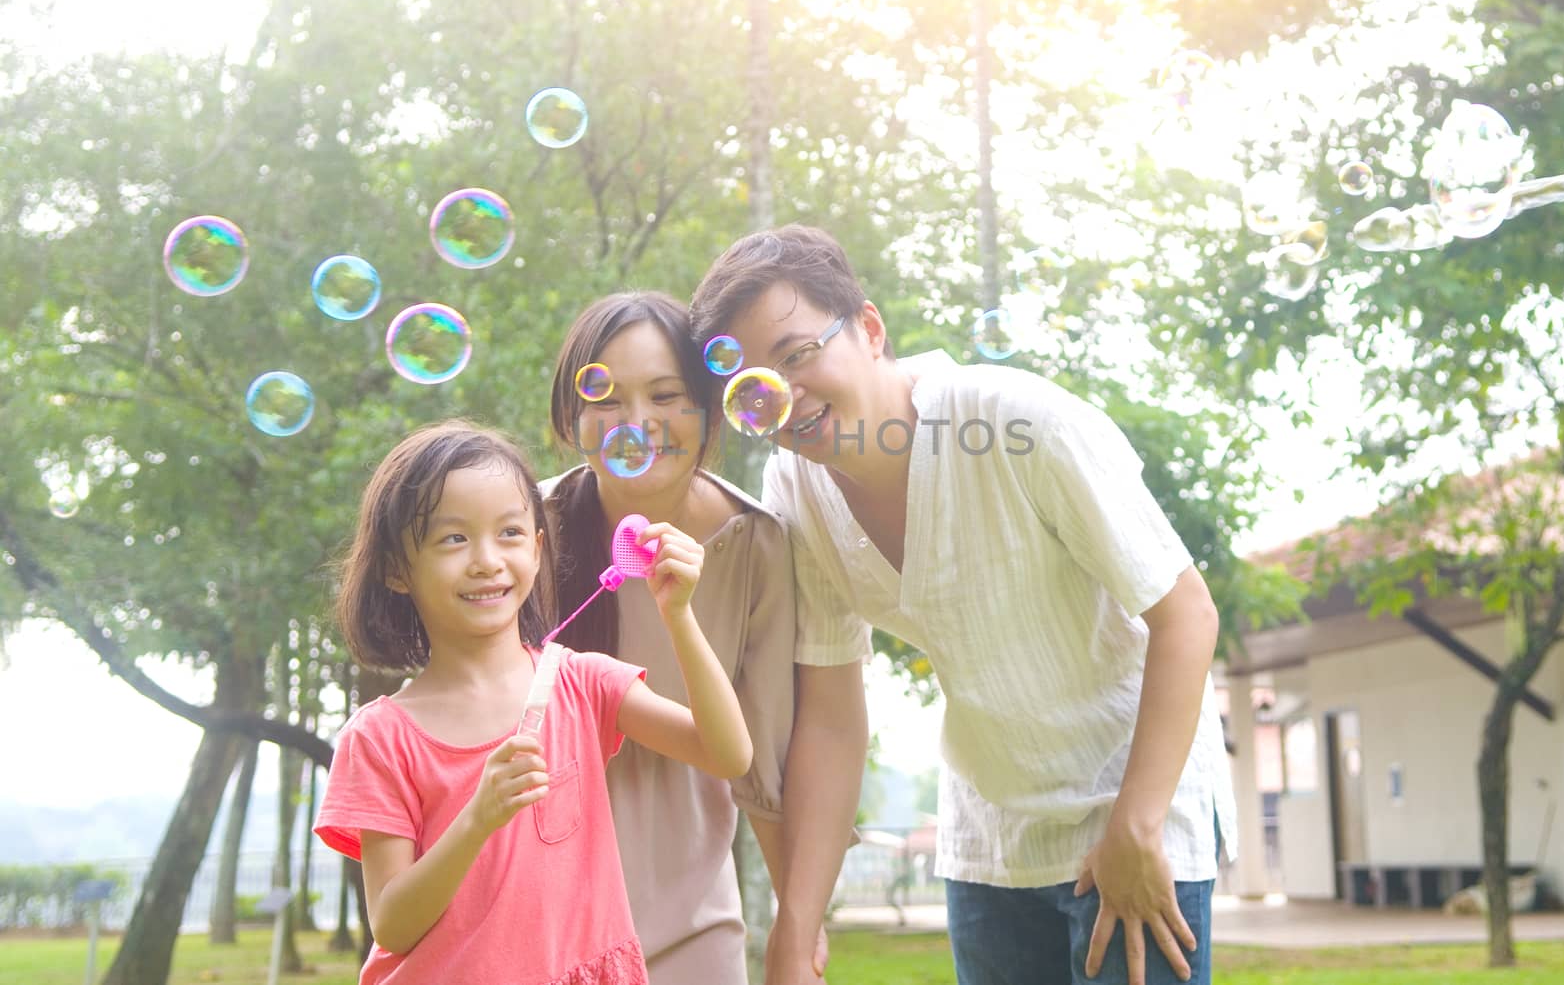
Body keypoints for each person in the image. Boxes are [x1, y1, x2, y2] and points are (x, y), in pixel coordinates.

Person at [690, 226, 1238, 985]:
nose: (786, 398)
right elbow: (831, 715)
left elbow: (1186, 612)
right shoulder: (796, 488)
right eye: (754, 388)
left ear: (871, 330)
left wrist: (1138, 823)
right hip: (990, 831)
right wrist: (797, 925)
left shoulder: (1017, 424)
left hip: (1134, 802)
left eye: (797, 355)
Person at [314, 419, 753, 985]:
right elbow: (393, 925)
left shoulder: (581, 684)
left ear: (539, 547)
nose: (487, 560)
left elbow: (728, 754)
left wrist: (679, 615)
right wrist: (476, 819)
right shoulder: (380, 738)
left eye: (510, 533)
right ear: (398, 569)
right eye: (453, 538)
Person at [543, 291, 821, 985]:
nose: (638, 424)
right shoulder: (524, 532)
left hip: (691, 936)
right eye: (606, 399)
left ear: (708, 409)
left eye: (666, 395)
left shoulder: (755, 543)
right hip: (536, 929)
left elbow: (764, 763)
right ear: (571, 417)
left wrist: (799, 926)